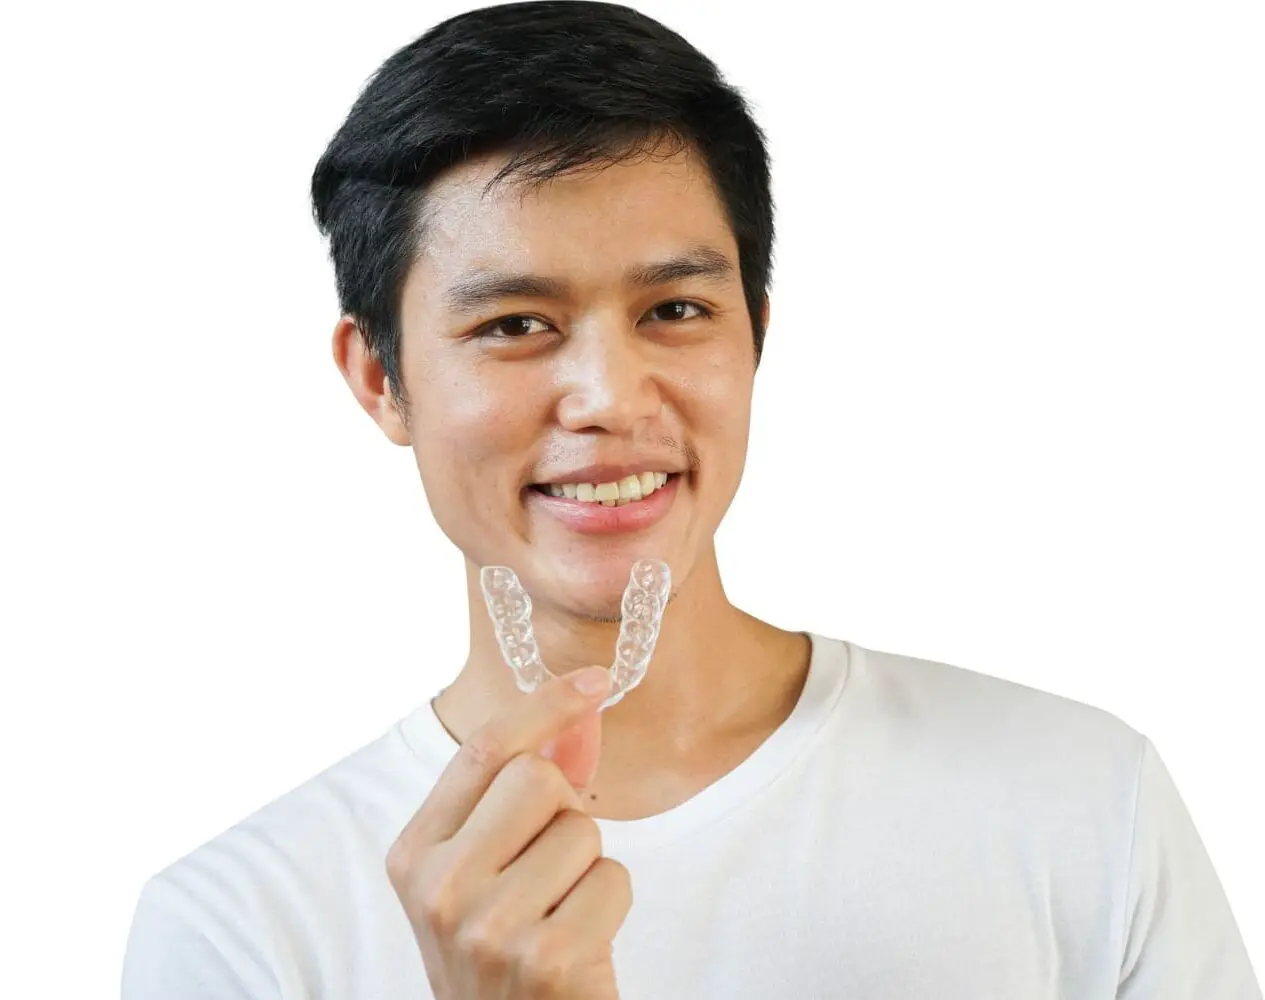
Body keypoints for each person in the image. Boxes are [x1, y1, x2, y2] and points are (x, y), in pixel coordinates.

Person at [120, 2, 1261, 997]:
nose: (610, 397)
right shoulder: (240, 930)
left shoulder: (1076, 802)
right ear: (382, 378)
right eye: (514, 325)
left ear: (754, 335)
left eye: (673, 311)